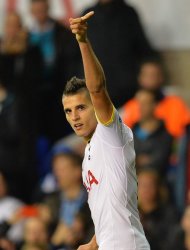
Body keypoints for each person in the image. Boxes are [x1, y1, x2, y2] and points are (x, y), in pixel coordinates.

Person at [62, 11, 150, 250]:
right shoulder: (89, 155)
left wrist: (82, 41)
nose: (75, 117)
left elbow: (98, 89)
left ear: (95, 107)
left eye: (81, 107)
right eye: (68, 111)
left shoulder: (109, 133)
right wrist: (92, 244)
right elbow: (111, 216)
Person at [81, 0, 157, 108]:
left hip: (128, 92)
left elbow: (143, 48)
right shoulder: (87, 14)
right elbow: (80, 53)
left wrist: (150, 66)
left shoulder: (128, 13)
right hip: (97, 92)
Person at [122, 59, 190, 137]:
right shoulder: (131, 107)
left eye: (154, 75)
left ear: (161, 78)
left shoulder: (176, 104)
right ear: (140, 78)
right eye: (147, 75)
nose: (151, 79)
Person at [133, 89, 173, 175]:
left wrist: (137, 161)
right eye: (139, 103)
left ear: (154, 105)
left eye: (145, 103)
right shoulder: (130, 131)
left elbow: (160, 160)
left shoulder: (164, 134)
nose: (140, 107)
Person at [138, 168, 178, 250]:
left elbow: (170, 244)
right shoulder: (131, 213)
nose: (146, 189)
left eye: (150, 185)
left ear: (158, 188)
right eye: (142, 185)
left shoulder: (169, 213)